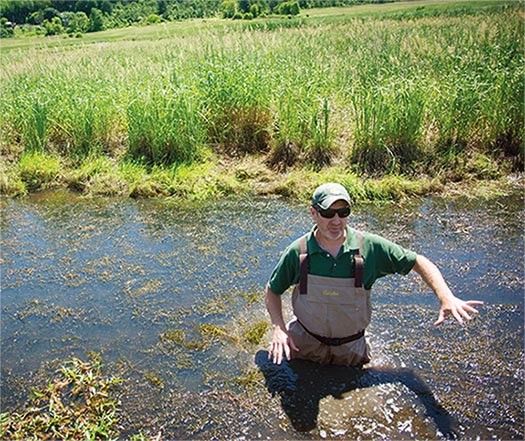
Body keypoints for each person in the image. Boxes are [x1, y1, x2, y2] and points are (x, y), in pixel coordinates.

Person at [265, 182, 483, 366]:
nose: (336, 221)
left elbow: (418, 261)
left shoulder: (369, 248)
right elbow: (273, 291)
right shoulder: (298, 251)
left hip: (351, 349)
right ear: (313, 213)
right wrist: (279, 329)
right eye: (328, 213)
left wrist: (445, 297)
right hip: (304, 344)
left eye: (343, 213)